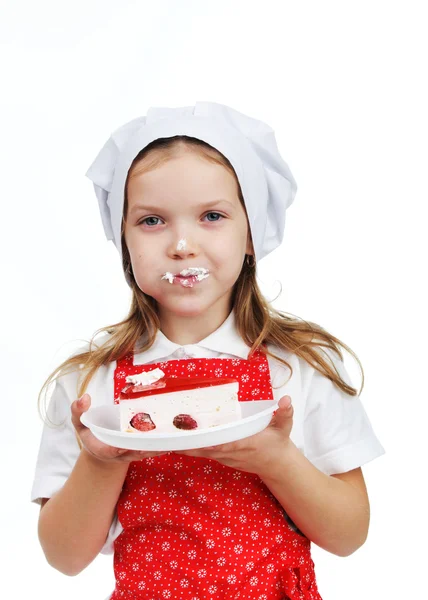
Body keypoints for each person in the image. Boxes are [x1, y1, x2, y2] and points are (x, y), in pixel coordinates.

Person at [32, 101, 385, 600]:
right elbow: (64, 558)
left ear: (250, 233)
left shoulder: (300, 369)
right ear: (123, 239)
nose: (181, 244)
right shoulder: (90, 387)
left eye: (212, 216)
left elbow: (349, 536)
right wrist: (100, 463)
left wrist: (276, 459)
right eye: (152, 221)